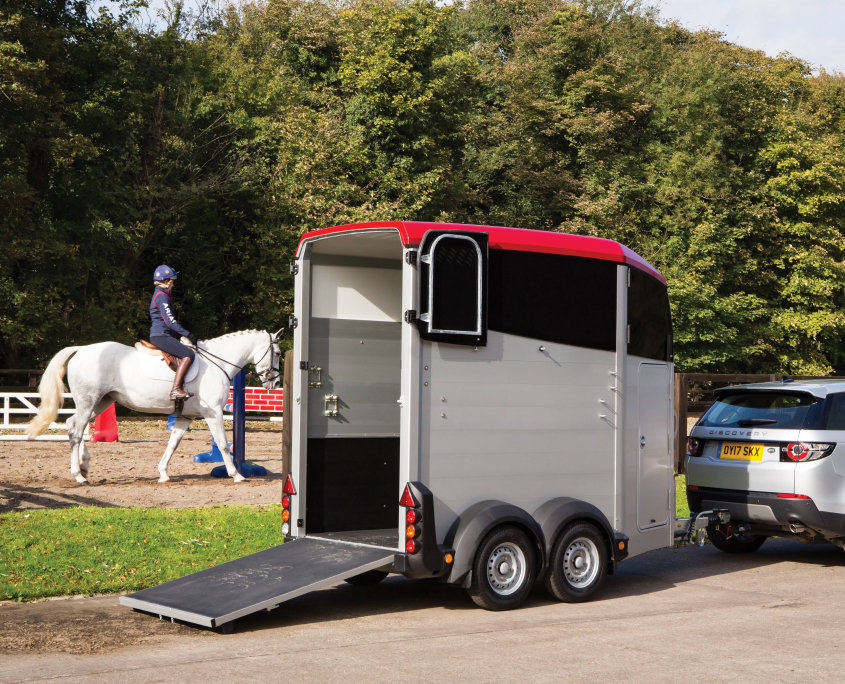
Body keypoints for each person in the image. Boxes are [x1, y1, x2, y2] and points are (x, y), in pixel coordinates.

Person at [149, 265, 197, 400]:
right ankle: (176, 389)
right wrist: (187, 334)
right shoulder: (161, 296)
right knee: (188, 354)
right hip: (160, 335)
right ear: (167, 281)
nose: (173, 283)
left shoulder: (163, 295)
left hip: (164, 334)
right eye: (172, 280)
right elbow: (170, 322)